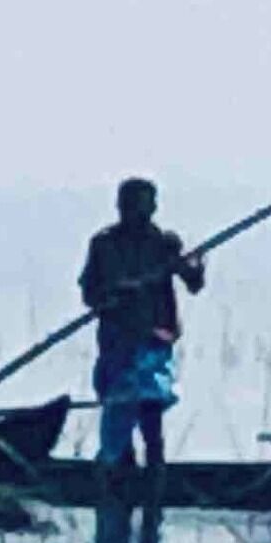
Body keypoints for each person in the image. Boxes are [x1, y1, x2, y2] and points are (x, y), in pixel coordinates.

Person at [79, 178, 204, 492]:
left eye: (147, 205)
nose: (142, 212)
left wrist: (192, 262)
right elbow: (89, 292)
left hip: (153, 345)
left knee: (151, 418)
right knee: (119, 419)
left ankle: (154, 485)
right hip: (118, 344)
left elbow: (193, 283)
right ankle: (121, 482)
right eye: (134, 205)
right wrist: (114, 295)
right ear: (121, 206)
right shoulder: (104, 244)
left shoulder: (163, 244)